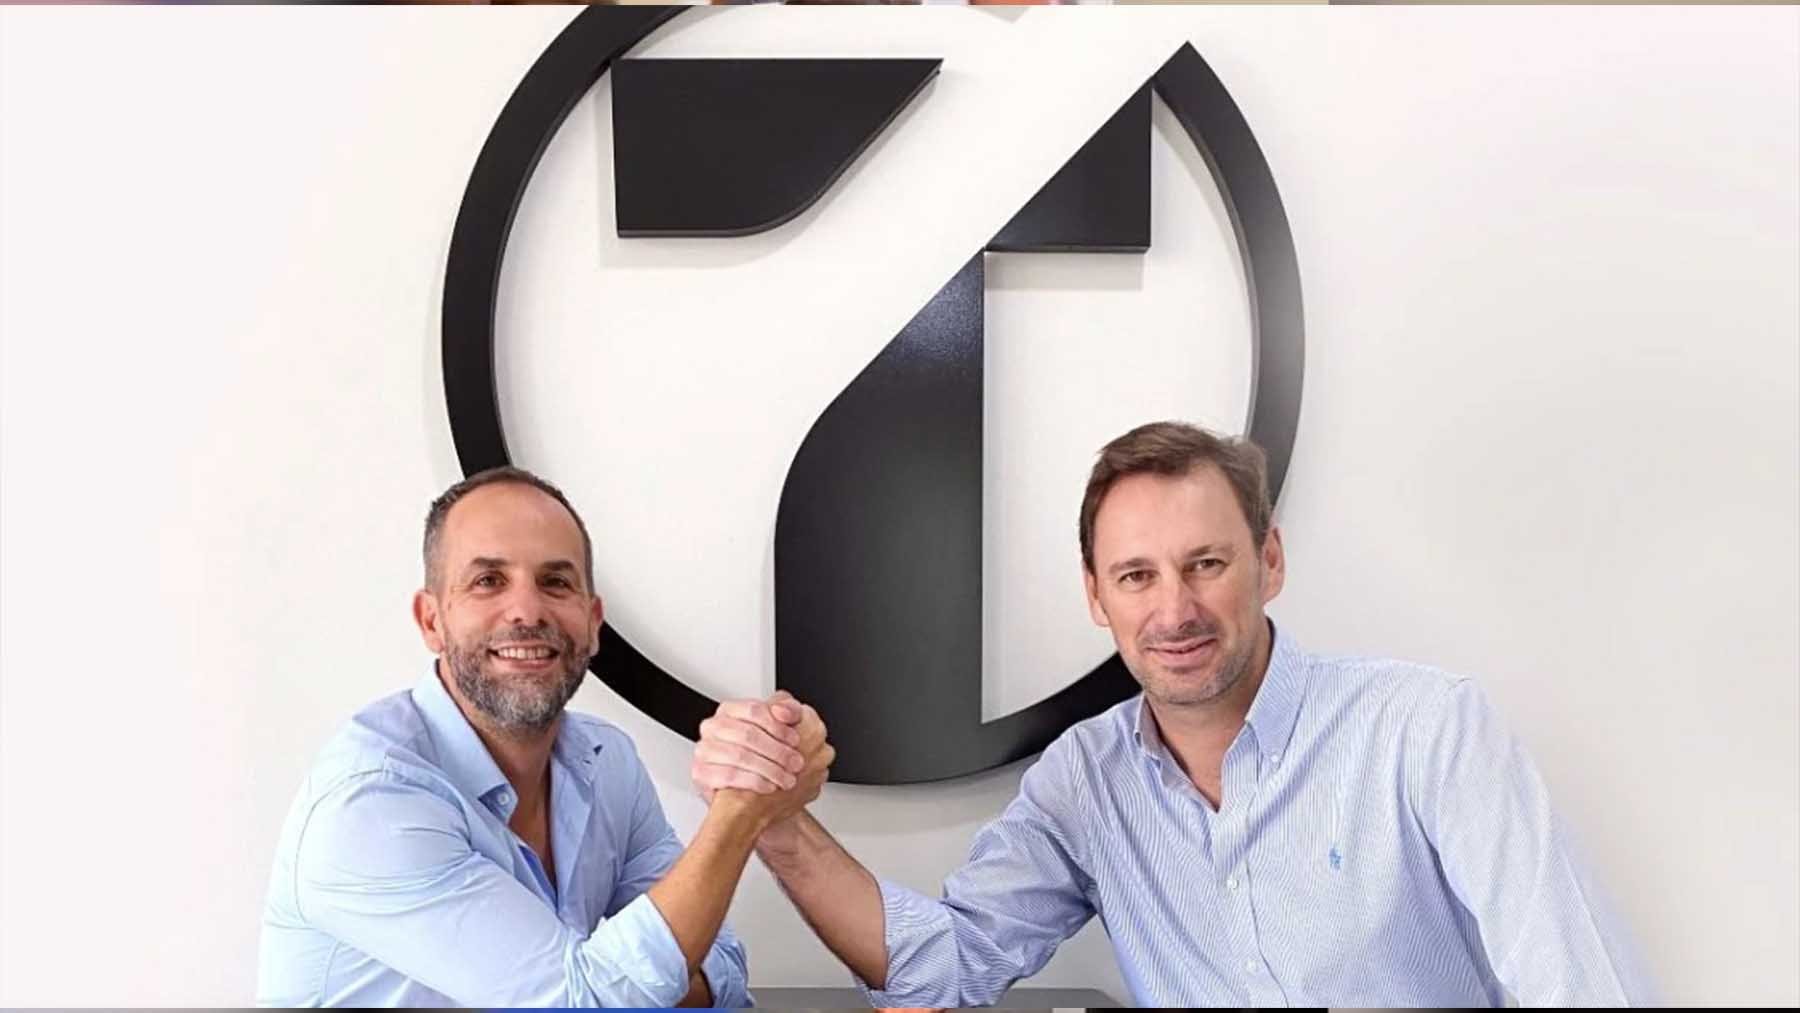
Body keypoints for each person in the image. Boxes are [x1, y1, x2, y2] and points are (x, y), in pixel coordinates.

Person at [692, 421, 1654, 1007]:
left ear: (1269, 560)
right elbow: (945, 967)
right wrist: (769, 818)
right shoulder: (1083, 782)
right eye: (1136, 576)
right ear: (1095, 596)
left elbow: (1581, 985)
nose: (1175, 610)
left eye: (1206, 563)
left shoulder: (1425, 729)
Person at [257, 466, 832, 1007]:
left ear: (593, 621)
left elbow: (721, 966)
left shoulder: (606, 761)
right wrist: (740, 811)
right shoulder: (371, 804)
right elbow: (586, 1003)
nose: (527, 611)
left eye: (555, 582)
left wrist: (631, 984)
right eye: (488, 581)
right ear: (432, 620)